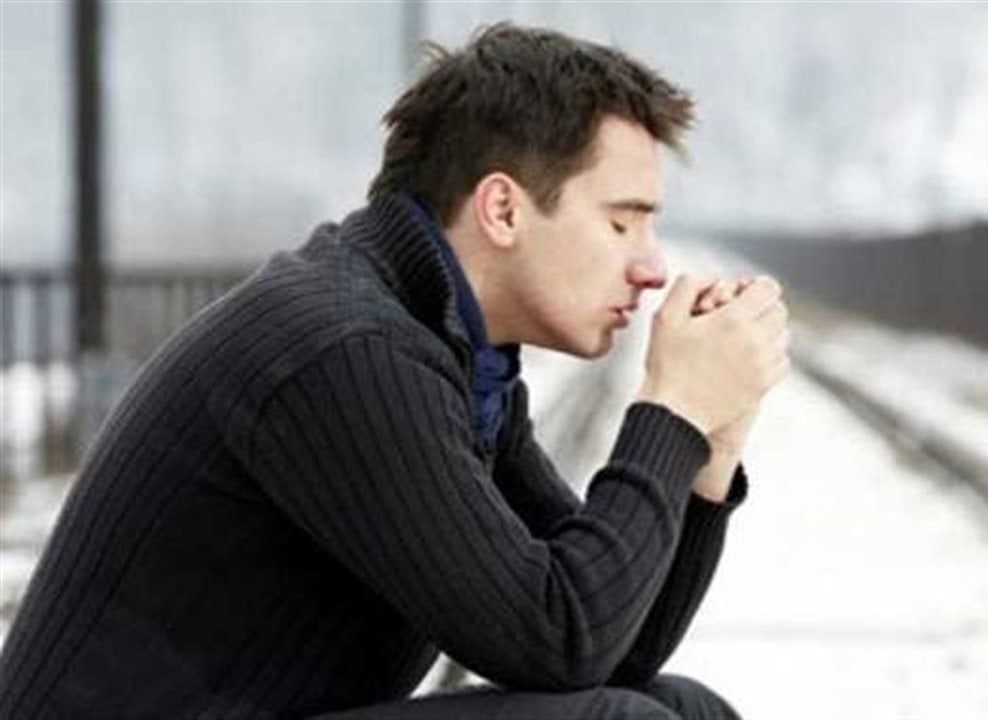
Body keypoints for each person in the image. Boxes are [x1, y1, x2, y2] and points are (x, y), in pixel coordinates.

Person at [0, 23, 789, 720]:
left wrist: (711, 447)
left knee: (681, 707)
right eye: (620, 224)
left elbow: (617, 641)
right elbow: (558, 638)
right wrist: (670, 409)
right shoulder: (344, 350)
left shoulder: (452, 354)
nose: (651, 268)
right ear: (503, 210)